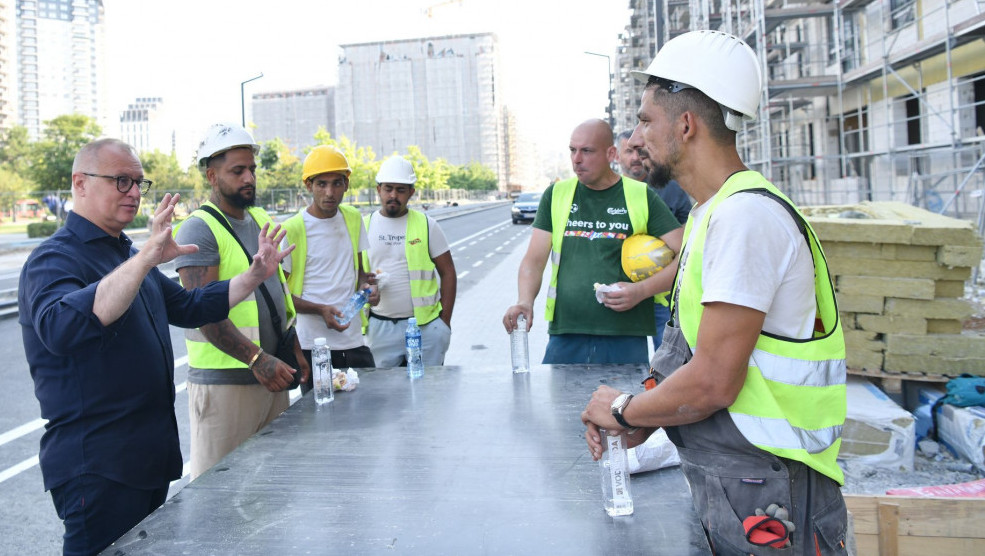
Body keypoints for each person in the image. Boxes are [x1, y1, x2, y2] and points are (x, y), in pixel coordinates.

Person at [582, 30, 848, 554]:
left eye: (645, 120)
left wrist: (624, 410)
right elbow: (693, 355)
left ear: (685, 125)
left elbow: (713, 383)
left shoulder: (745, 216)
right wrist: (646, 417)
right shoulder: (714, 213)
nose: (635, 139)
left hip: (777, 493)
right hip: (742, 482)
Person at [19, 138, 293, 555]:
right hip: (97, 467)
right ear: (80, 183)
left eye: (139, 183)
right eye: (122, 181)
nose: (133, 192)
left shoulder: (125, 255)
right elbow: (61, 328)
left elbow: (188, 306)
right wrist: (144, 258)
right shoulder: (54, 260)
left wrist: (254, 276)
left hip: (145, 461)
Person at [174, 123, 309, 480]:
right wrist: (256, 358)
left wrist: (290, 346)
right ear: (212, 175)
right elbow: (203, 313)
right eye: (238, 171)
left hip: (271, 374)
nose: (249, 177)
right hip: (226, 384)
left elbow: (277, 295)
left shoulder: (261, 220)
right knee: (220, 492)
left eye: (252, 169)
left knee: (271, 489)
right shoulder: (199, 229)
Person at [501, 119, 683, 365]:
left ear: (611, 154)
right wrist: (524, 301)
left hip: (626, 337)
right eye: (572, 150)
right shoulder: (556, 195)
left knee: (621, 403)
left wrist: (641, 291)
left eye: (586, 151)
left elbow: (686, 256)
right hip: (566, 334)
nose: (577, 159)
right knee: (557, 403)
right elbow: (533, 261)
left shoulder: (641, 196)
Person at [282, 145, 377, 379]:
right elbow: (280, 295)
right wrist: (320, 310)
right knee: (321, 414)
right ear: (308, 186)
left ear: (346, 184)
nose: (330, 192)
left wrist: (369, 289)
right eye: (321, 184)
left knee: (370, 411)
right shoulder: (291, 230)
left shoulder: (353, 218)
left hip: (354, 340)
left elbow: (360, 274)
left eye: (337, 183)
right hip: (312, 345)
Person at [362, 155, 456, 366]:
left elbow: (448, 272)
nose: (393, 195)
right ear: (378, 189)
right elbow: (354, 275)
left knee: (429, 394)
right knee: (386, 395)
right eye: (388, 188)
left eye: (401, 189)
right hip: (380, 327)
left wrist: (444, 323)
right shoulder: (363, 227)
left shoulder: (427, 225)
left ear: (411, 192)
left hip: (426, 328)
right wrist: (366, 289)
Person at [616, 129, 692, 351]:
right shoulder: (610, 191)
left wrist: (662, 245)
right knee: (626, 369)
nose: (635, 157)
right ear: (616, 155)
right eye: (628, 151)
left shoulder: (670, 188)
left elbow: (690, 225)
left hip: (663, 297)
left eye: (640, 151)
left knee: (669, 362)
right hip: (624, 294)